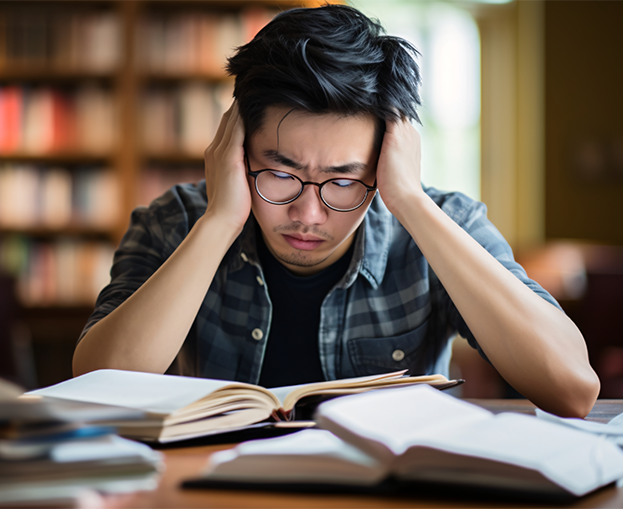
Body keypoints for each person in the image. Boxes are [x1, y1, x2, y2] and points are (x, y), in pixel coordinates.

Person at [72, 4, 599, 417]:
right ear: (234, 150)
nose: (308, 214)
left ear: (385, 162)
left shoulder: (442, 223)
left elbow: (571, 389)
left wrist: (409, 201)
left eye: (343, 180)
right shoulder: (174, 222)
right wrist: (219, 221)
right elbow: (95, 389)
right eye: (279, 173)